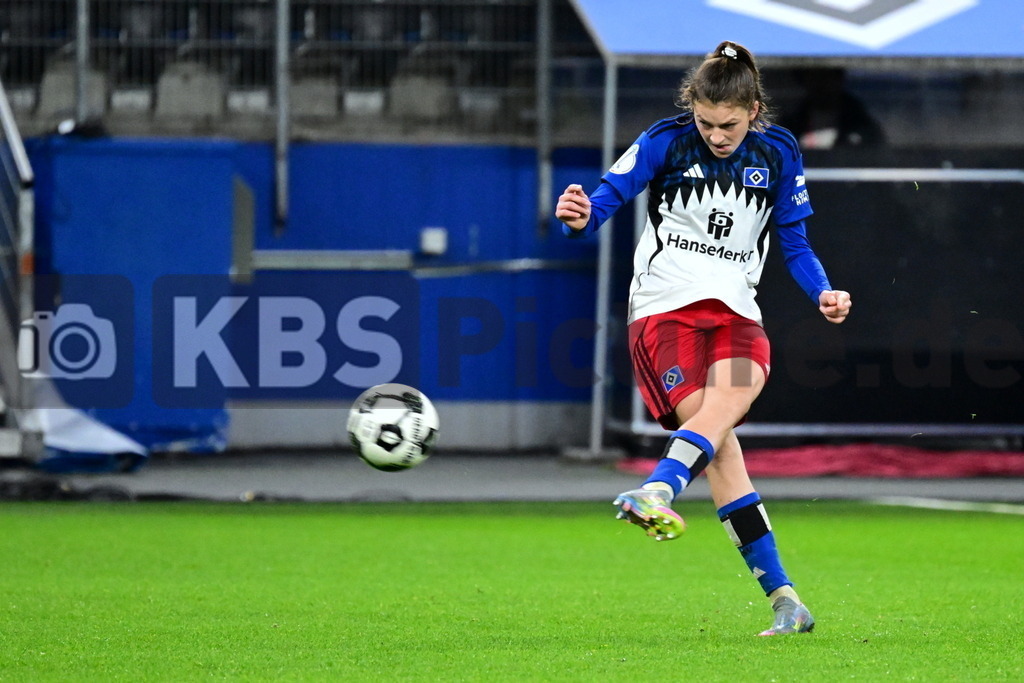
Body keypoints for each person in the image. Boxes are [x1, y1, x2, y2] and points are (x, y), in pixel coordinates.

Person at [554, 41, 851, 636]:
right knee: (719, 445)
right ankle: (785, 599)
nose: (716, 135)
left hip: (738, 317)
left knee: (723, 412)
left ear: (753, 110)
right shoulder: (663, 141)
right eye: (706, 122)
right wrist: (578, 218)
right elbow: (601, 204)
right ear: (691, 106)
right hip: (665, 315)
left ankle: (660, 489)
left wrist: (822, 290)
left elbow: (794, 242)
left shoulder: (779, 150)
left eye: (729, 125)